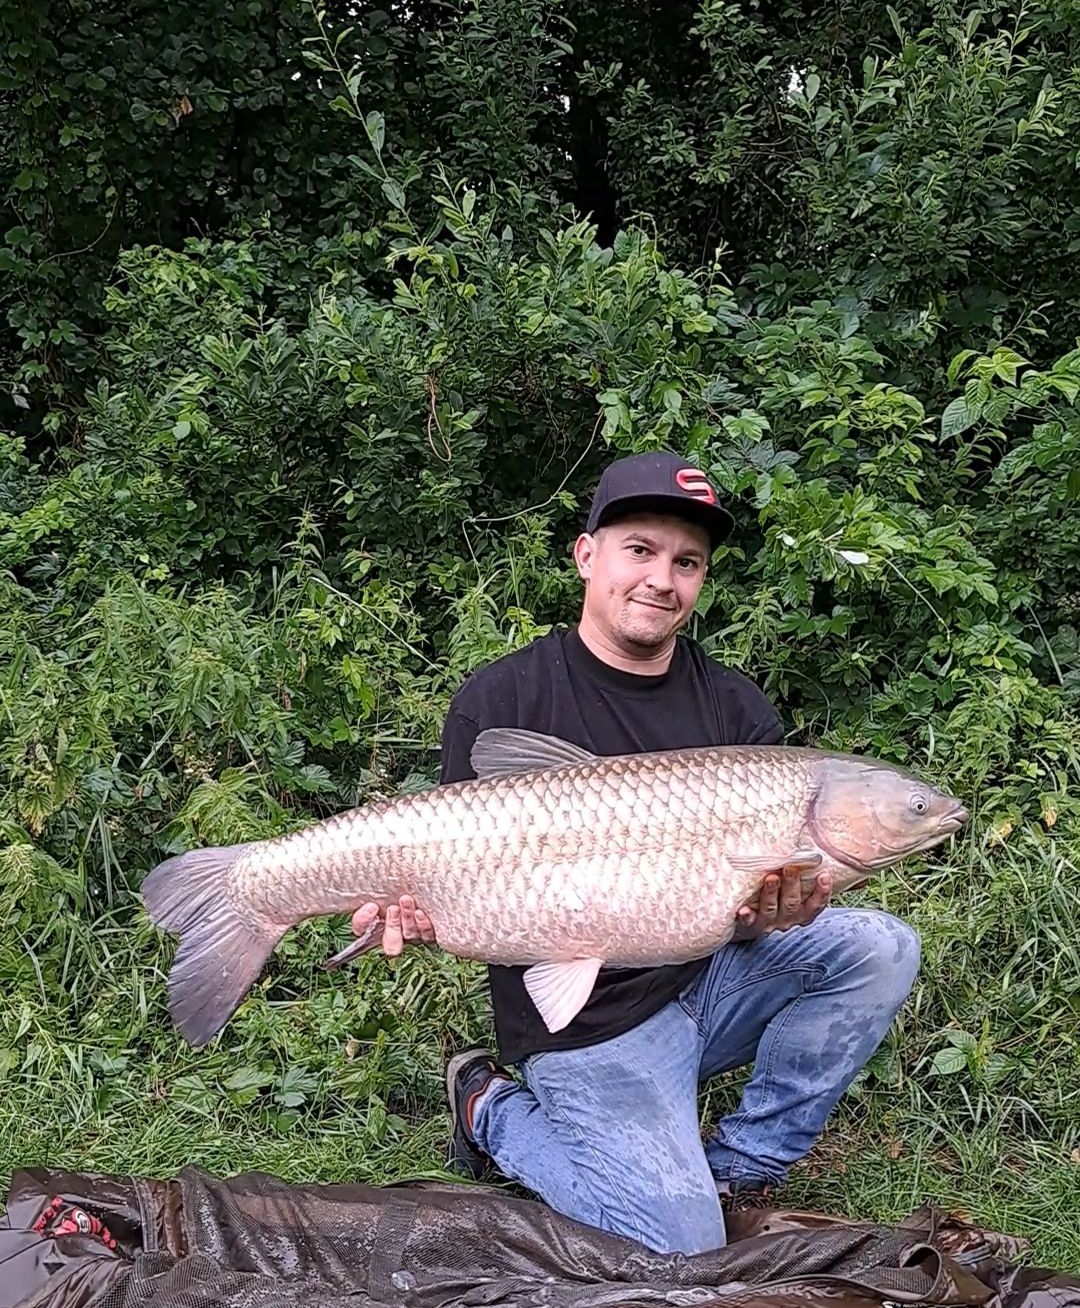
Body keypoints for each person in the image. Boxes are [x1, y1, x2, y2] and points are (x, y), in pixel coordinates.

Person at [350, 451, 920, 1254]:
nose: (662, 578)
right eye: (640, 551)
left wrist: (777, 915)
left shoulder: (735, 709)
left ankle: (742, 1165)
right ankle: (491, 1109)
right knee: (679, 1244)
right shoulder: (504, 698)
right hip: (587, 1020)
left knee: (879, 946)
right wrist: (425, 911)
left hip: (706, 978)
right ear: (588, 556)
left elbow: (745, 921)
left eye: (687, 562)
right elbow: (462, 878)